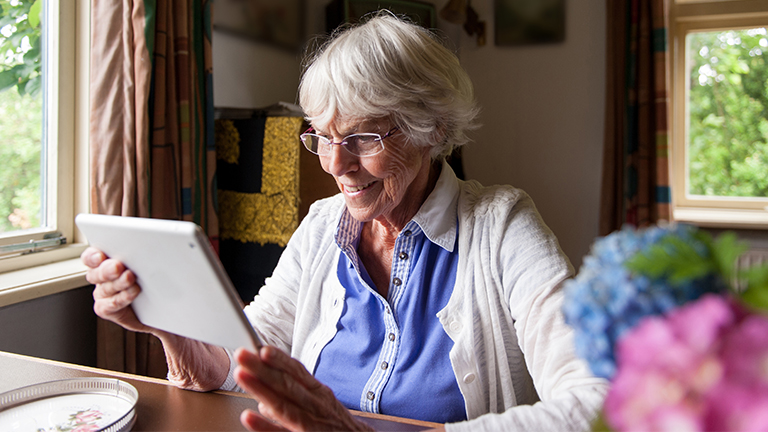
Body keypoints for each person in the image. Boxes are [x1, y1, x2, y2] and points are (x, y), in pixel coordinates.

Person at [82, 12, 608, 431]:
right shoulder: (321, 226)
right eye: (323, 138)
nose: (336, 164)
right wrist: (167, 324)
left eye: (362, 138)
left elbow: (596, 403)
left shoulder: (501, 226)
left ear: (431, 129)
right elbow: (246, 360)